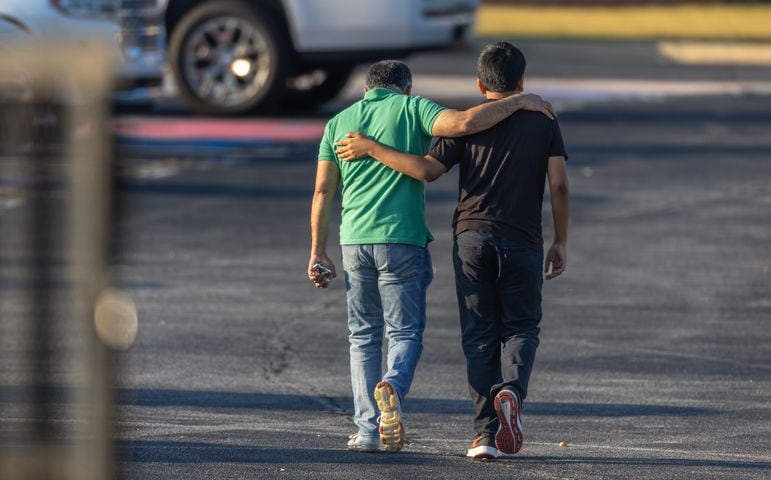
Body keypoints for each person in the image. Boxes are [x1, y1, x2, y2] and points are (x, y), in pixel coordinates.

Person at [334, 42, 569, 459]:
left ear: (480, 84)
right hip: (523, 240)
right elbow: (560, 185)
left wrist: (372, 149)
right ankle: (512, 390)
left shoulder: (470, 122)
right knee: (520, 327)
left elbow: (426, 170)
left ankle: (483, 437)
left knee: (479, 336)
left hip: (471, 238)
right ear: (521, 81)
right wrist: (561, 241)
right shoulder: (543, 120)